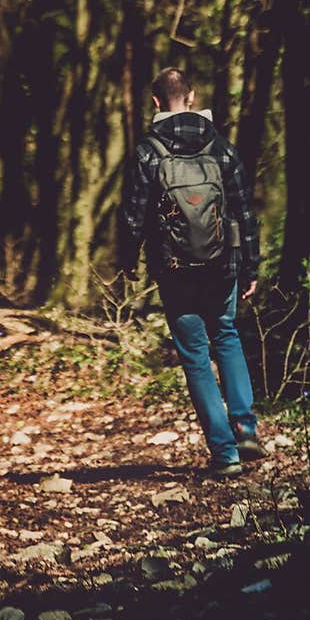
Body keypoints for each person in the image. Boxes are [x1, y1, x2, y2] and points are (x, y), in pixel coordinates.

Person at [118, 66, 265, 478]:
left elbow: (132, 214)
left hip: (175, 268)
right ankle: (245, 427)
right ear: (193, 97)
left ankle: (224, 453)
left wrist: (128, 260)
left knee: (197, 356)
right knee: (227, 336)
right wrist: (250, 265)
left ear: (156, 102)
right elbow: (243, 210)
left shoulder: (149, 152)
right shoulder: (221, 148)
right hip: (223, 265)